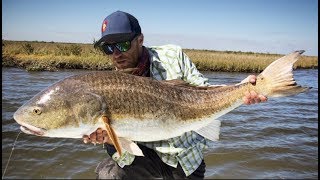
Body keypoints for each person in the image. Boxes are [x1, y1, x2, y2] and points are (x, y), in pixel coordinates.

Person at [83, 10, 267, 179]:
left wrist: (242, 88)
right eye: (108, 48)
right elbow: (125, 144)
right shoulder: (110, 85)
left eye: (122, 44)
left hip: (185, 158)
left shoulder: (173, 56)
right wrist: (109, 140)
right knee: (108, 174)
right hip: (145, 157)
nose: (116, 54)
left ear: (140, 40)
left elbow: (203, 89)